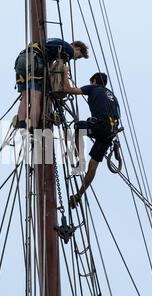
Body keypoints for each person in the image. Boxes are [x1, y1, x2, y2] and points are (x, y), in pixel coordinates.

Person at [63, 69, 121, 209]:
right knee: (94, 164)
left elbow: (68, 89)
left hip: (101, 124)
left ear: (94, 81)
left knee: (79, 127)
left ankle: (79, 159)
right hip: (111, 132)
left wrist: (64, 72)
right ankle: (78, 195)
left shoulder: (94, 87)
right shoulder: (112, 96)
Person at [14, 39, 88, 130]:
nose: (75, 59)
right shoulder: (67, 49)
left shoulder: (55, 43)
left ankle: (21, 124)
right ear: (77, 48)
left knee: (25, 97)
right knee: (35, 98)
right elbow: (56, 69)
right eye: (79, 56)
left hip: (21, 59)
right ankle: (33, 128)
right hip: (35, 61)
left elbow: (49, 65)